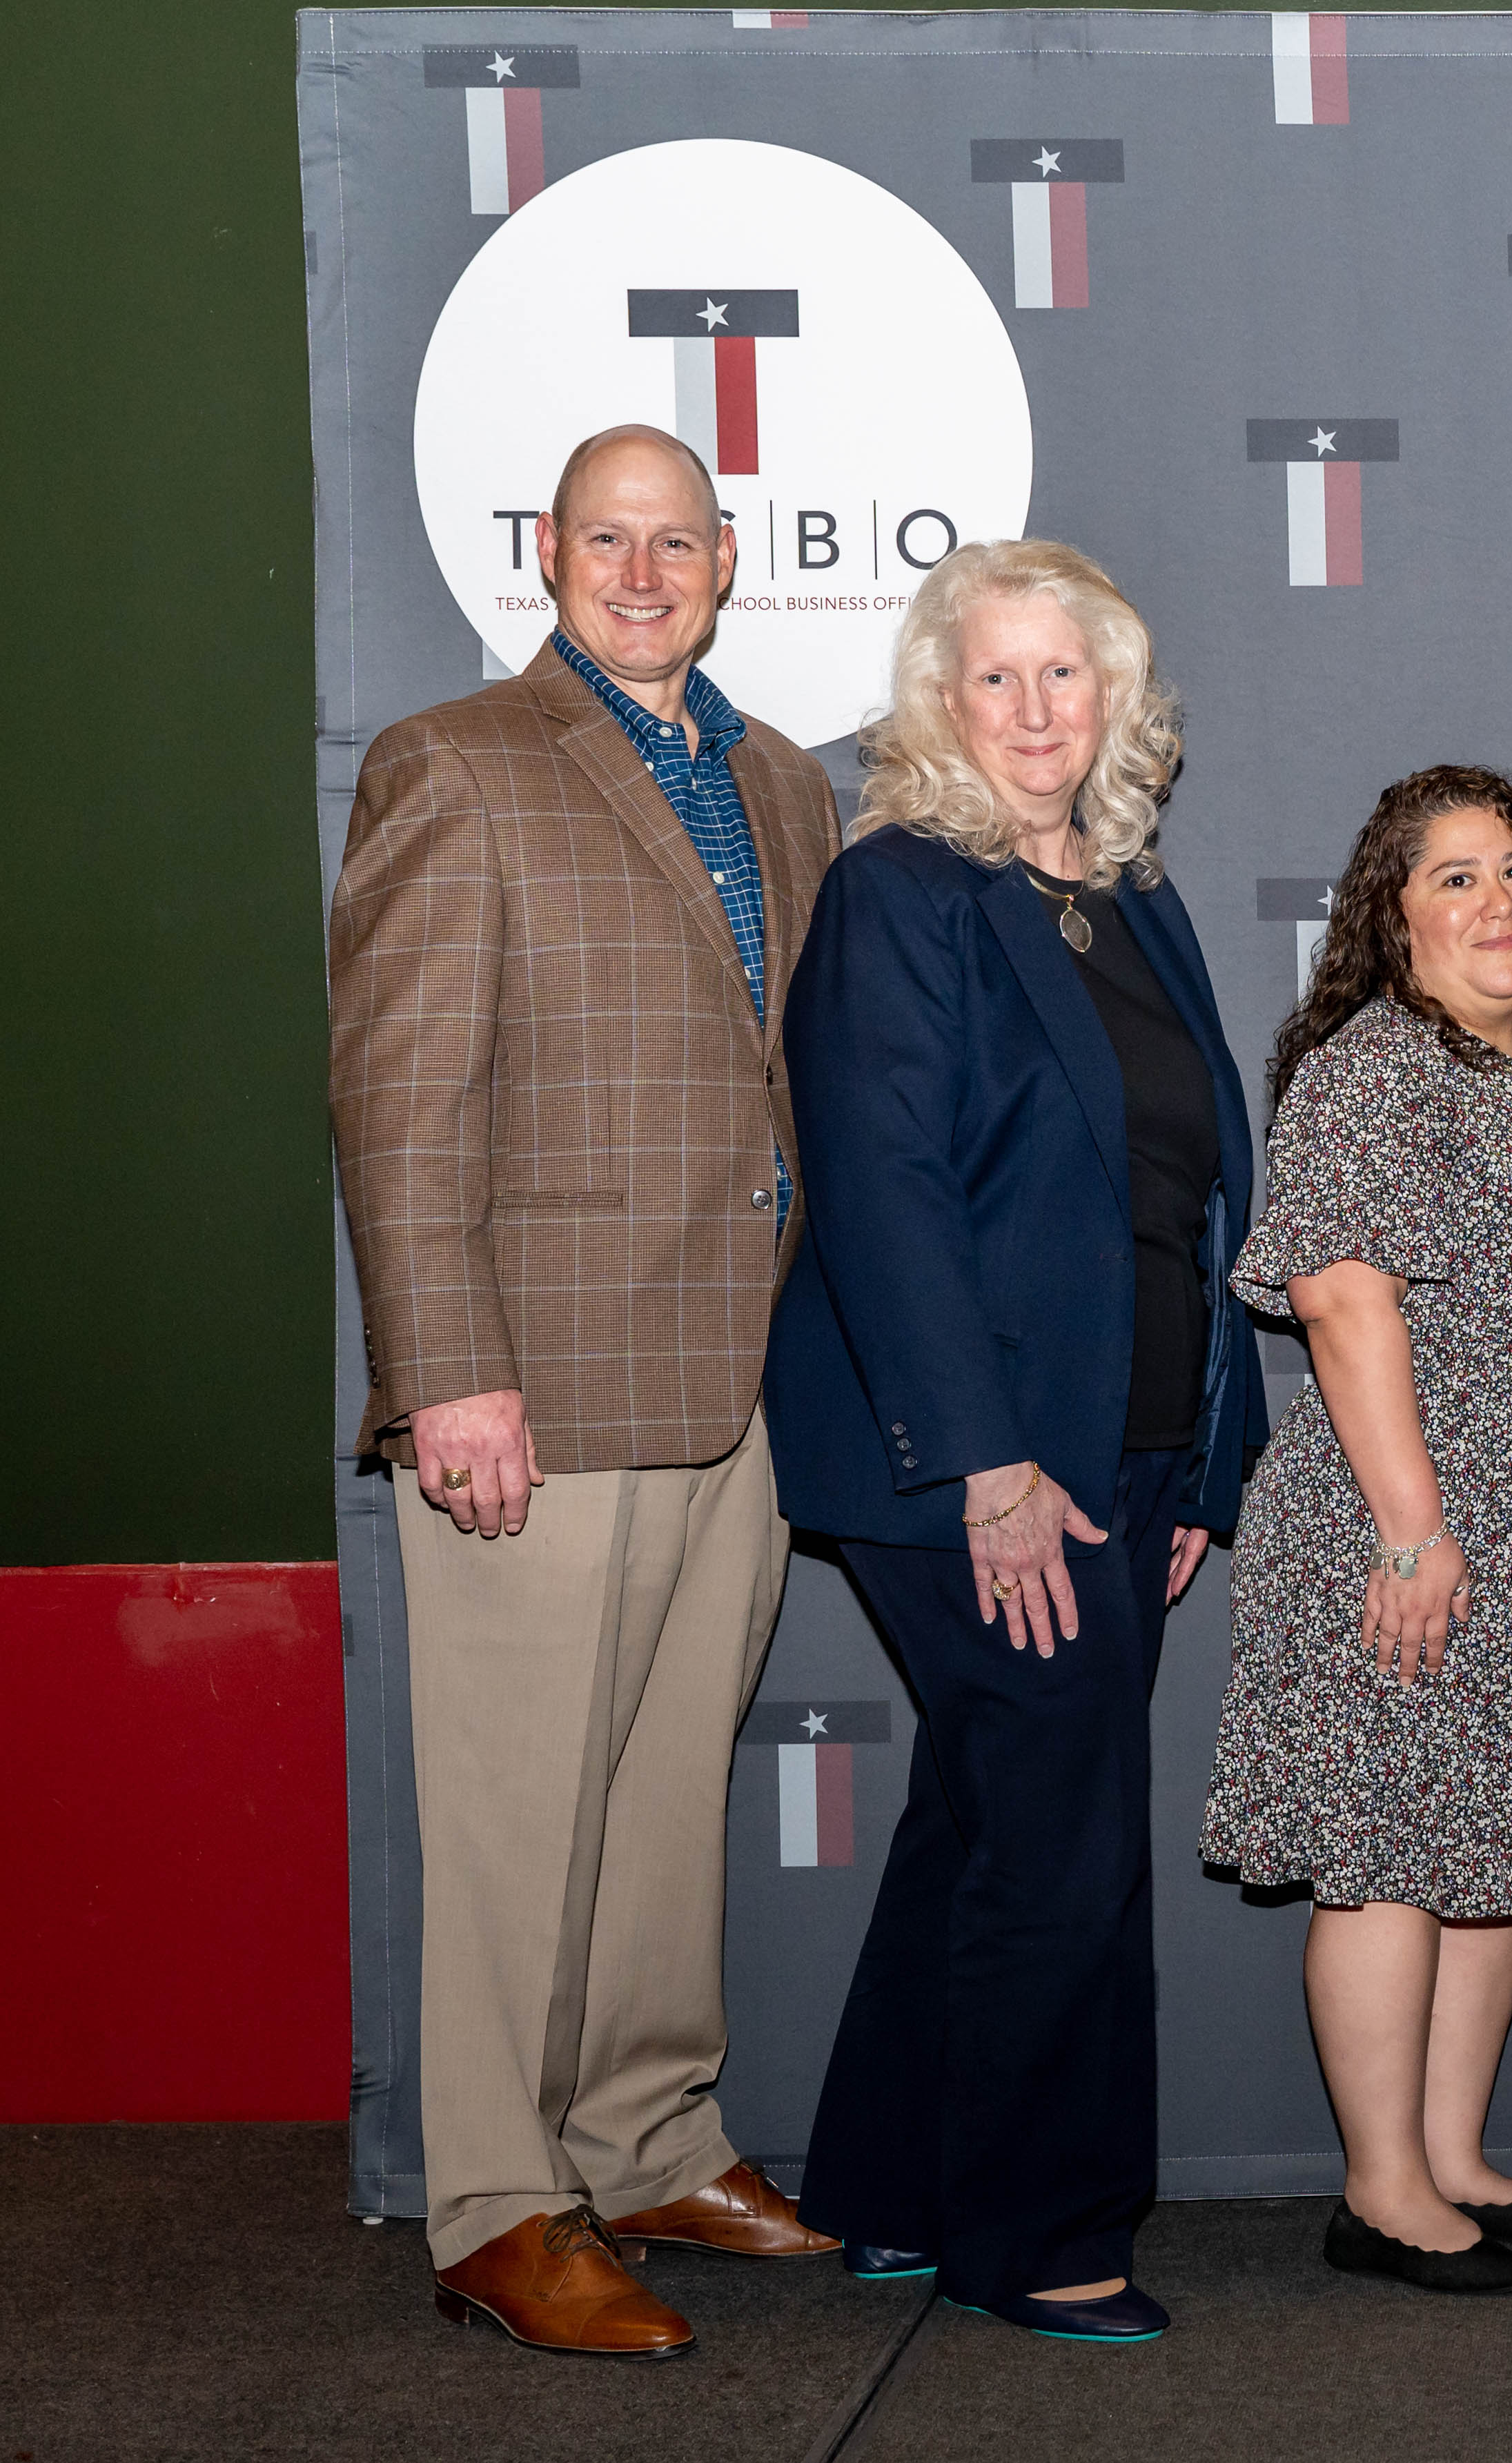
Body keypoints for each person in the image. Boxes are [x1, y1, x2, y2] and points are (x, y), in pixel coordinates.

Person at [328, 423, 841, 2355]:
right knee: (516, 1809)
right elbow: (395, 1097)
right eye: (607, 539)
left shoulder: (780, 780)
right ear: (547, 552)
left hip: (737, 1383)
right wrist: (447, 1374)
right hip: (535, 1388)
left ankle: (644, 2139)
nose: (644, 572)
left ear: (729, 561)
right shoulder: (452, 764)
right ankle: (492, 2196)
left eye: (678, 541)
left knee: (656, 1803)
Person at [763, 540, 1268, 2346]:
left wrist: (1200, 1459)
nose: (1039, 712)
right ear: (941, 701)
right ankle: (1040, 2229)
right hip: (970, 1460)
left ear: (1114, 701)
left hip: (1120, 1446)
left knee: (989, 1805)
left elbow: (1198, 1193)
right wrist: (983, 1466)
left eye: (1068, 677)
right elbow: (882, 1193)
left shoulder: (1135, 896)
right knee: (1057, 1826)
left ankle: (896, 2186)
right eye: (1001, 678)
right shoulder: (902, 892)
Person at [1205, 765, 1512, 2297]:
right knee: (1384, 1858)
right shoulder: (1376, 1068)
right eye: (1455, 878)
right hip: (1407, 1520)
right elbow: (1343, 1299)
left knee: (1493, 1846)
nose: (1498, 903)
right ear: (1393, 917)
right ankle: (1379, 2191)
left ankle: (1454, 2155)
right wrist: (1416, 1534)